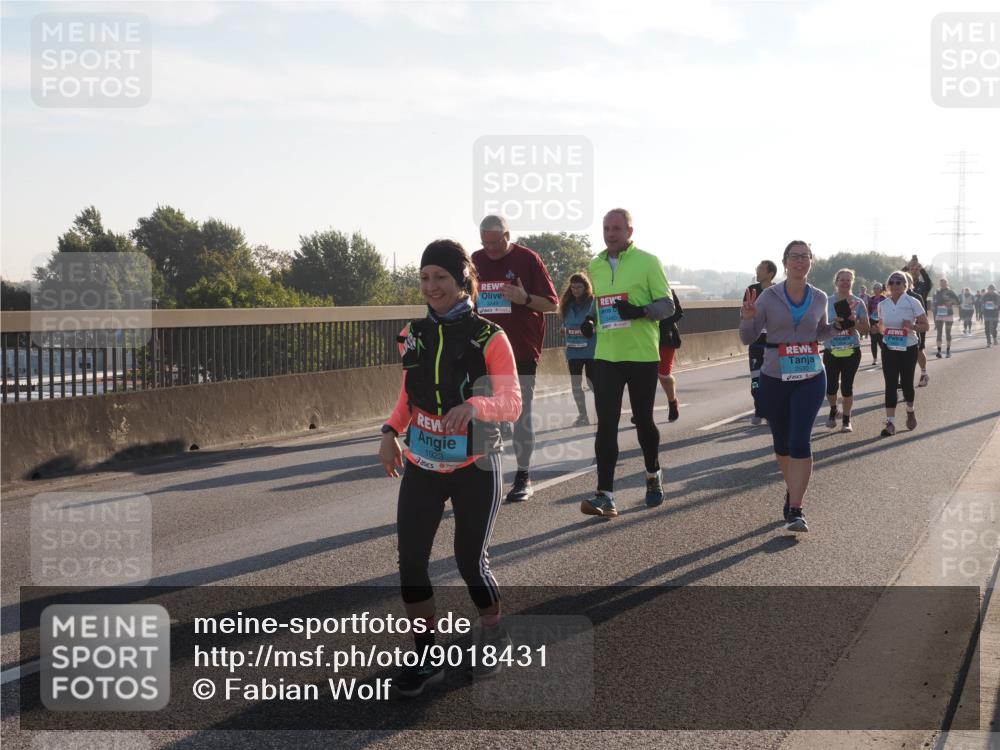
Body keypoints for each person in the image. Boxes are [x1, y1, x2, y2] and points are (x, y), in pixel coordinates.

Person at [378, 239, 522, 696]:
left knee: (469, 562)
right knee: (411, 563)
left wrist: (476, 406)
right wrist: (390, 431)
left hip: (475, 462)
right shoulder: (412, 333)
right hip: (422, 462)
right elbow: (409, 395)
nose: (431, 286)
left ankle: (494, 633)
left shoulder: (489, 337)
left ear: (462, 281)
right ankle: (426, 656)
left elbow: (512, 402)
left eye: (440, 277)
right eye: (424, 277)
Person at [739, 241, 843, 533]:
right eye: (794, 257)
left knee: (800, 441)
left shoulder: (820, 297)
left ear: (811, 261)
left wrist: (836, 328)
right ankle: (792, 488)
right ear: (785, 262)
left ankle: (796, 509)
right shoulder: (768, 297)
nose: (800, 261)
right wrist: (747, 318)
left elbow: (819, 332)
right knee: (782, 444)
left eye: (805, 257)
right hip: (775, 376)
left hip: (810, 375)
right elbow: (748, 337)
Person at [580, 208, 674, 517]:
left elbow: (667, 306)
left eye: (617, 229)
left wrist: (640, 311)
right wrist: (590, 321)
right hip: (606, 355)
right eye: (606, 228)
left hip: (641, 355)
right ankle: (605, 495)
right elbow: (599, 304)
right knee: (606, 424)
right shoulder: (595, 264)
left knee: (643, 420)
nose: (610, 234)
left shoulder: (648, 262)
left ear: (629, 232)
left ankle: (653, 474)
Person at [472, 215, 558, 503]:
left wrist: (524, 298)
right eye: (485, 242)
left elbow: (552, 304)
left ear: (508, 236)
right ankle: (481, 477)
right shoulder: (475, 260)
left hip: (520, 350)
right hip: (483, 351)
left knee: (521, 414)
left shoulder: (528, 259)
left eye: (495, 242)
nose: (490, 249)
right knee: (480, 414)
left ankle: (523, 476)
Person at [875, 271, 929, 437]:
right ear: (888, 286)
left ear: (905, 285)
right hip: (889, 347)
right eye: (892, 282)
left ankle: (910, 410)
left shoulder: (913, 302)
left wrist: (912, 327)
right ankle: (890, 423)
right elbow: (882, 326)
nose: (895, 285)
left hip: (909, 347)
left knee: (906, 384)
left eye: (899, 282)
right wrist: (880, 330)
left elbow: (926, 325)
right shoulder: (882, 304)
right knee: (890, 383)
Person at [822, 269, 870, 432]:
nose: (845, 283)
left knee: (847, 386)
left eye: (848, 280)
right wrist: (834, 324)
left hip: (851, 350)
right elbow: (820, 327)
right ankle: (833, 409)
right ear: (836, 282)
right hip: (831, 350)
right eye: (842, 280)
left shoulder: (858, 302)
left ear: (852, 282)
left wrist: (853, 322)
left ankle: (846, 419)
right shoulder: (827, 302)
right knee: (831, 386)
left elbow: (866, 329)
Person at [559, 273, 596, 427]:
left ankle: (603, 411)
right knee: (576, 385)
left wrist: (591, 328)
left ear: (586, 287)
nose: (575, 290)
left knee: (593, 383)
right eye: (573, 287)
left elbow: (597, 322)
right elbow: (565, 323)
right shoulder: (567, 304)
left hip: (590, 350)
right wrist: (564, 329)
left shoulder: (592, 302)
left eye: (579, 287)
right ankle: (583, 415)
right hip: (573, 350)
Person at [744, 260, 778, 426]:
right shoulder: (751, 290)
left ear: (770, 273)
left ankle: (774, 411)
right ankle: (759, 410)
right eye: (757, 268)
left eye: (761, 269)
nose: (757, 271)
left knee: (774, 381)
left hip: (775, 344)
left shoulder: (779, 291)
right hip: (756, 344)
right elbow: (745, 314)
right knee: (756, 381)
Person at [903, 256, 932, 386]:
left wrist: (922, 268)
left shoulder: (923, 286)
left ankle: (924, 373)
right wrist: (906, 266)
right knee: (902, 349)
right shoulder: (901, 285)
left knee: (919, 349)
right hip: (904, 322)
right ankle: (903, 378)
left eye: (917, 269)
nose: (914, 271)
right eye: (912, 269)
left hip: (919, 322)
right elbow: (894, 278)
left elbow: (928, 281)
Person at [657, 288, 684, 422]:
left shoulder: (666, 290)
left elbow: (678, 313)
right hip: (643, 338)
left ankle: (672, 402)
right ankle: (641, 411)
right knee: (644, 376)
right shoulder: (638, 290)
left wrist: (659, 322)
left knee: (664, 375)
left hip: (665, 338)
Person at [931, 278, 961, 358]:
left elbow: (958, 302)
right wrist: (934, 308)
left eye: (944, 283)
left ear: (947, 283)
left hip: (948, 314)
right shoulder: (936, 292)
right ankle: (939, 351)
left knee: (948, 333)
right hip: (939, 314)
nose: (942, 285)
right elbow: (934, 302)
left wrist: (951, 302)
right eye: (941, 283)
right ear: (939, 284)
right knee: (939, 333)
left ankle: (948, 351)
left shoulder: (951, 292)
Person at [867, 283, 885, 366]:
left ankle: (884, 358)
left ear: (881, 289)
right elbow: (868, 311)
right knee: (873, 341)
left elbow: (886, 311)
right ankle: (874, 359)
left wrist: (880, 323)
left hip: (881, 322)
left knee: (881, 341)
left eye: (877, 288)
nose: (875, 289)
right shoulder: (871, 299)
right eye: (874, 288)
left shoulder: (884, 299)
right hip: (872, 321)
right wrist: (871, 323)